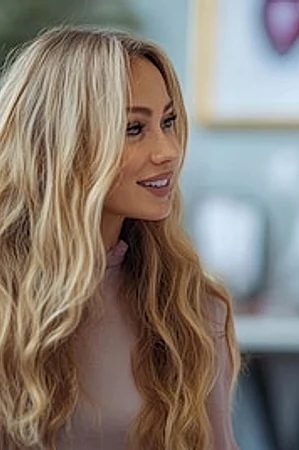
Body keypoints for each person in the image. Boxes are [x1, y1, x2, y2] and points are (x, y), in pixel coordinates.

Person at [0, 26, 240, 449]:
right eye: (134, 128)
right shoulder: (9, 301)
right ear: (64, 141)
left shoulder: (190, 308)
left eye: (168, 122)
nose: (167, 150)